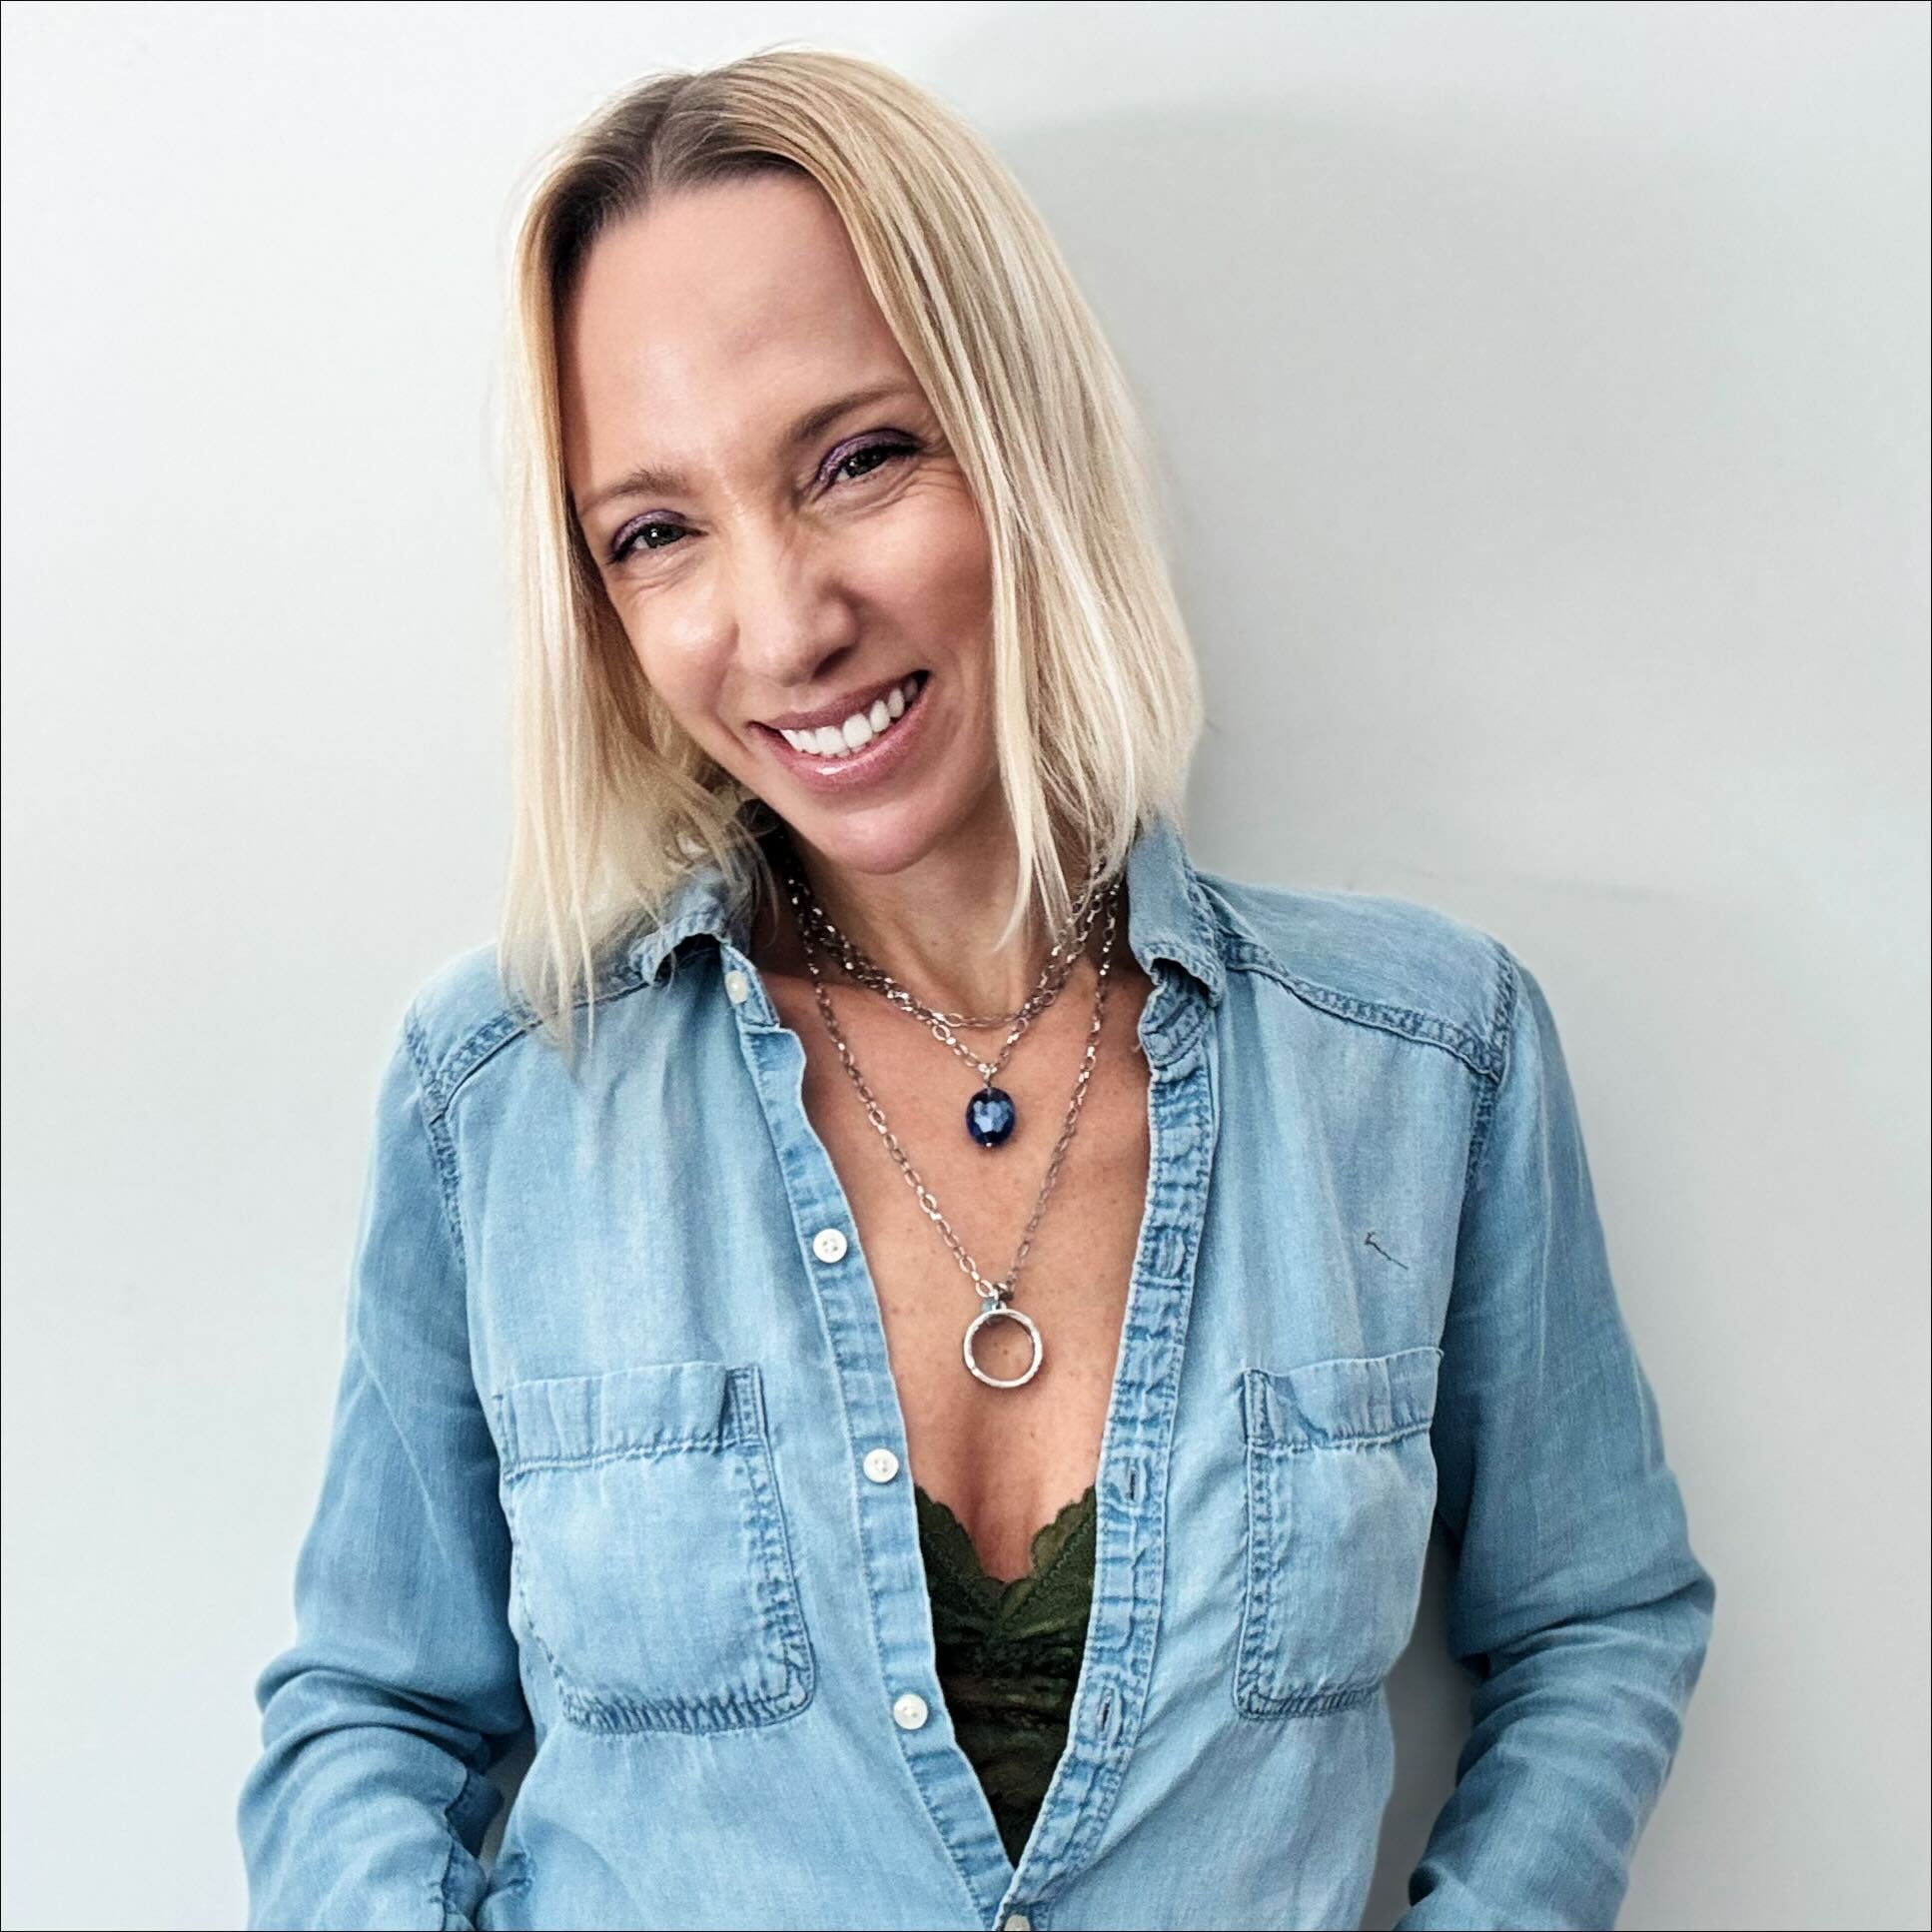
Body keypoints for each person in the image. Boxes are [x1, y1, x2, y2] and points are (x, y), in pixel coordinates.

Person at [237, 47, 1714, 1932]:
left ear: (1014, 435)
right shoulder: (504, 1094)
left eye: (856, 460)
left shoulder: (1422, 1060)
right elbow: (369, 1707)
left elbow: (1597, 1614)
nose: (780, 623)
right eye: (657, 532)